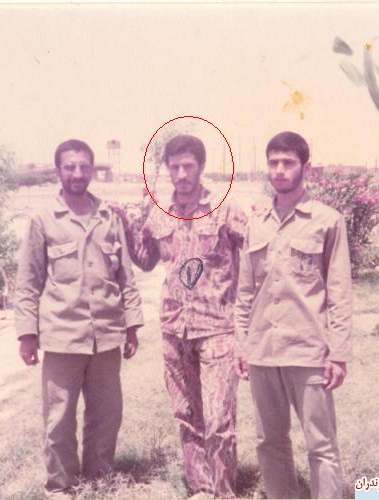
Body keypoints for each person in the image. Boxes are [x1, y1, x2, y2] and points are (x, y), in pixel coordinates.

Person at [13, 139, 144, 499]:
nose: (77, 173)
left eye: (84, 166)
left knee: (107, 413)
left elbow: (126, 275)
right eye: (70, 167)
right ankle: (61, 485)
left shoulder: (109, 217)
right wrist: (26, 333)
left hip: (106, 334)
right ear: (58, 171)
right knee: (59, 417)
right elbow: (28, 280)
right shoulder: (43, 219)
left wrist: (132, 325)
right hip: (62, 334)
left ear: (92, 169)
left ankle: (99, 477)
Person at [119, 134, 247, 498]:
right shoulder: (160, 213)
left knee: (219, 420)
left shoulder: (225, 209)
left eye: (188, 166)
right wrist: (128, 225)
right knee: (187, 416)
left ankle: (223, 491)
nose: (181, 174)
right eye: (174, 167)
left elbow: (255, 255)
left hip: (217, 329)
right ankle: (200, 488)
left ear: (201, 167)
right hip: (175, 330)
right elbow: (146, 261)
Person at [234, 131, 353, 499]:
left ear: (306, 167)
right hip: (263, 351)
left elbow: (339, 292)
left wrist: (338, 353)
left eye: (288, 162)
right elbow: (244, 292)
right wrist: (241, 345)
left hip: (307, 351)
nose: (280, 170)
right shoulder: (257, 222)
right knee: (269, 440)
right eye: (273, 163)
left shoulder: (326, 221)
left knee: (321, 445)